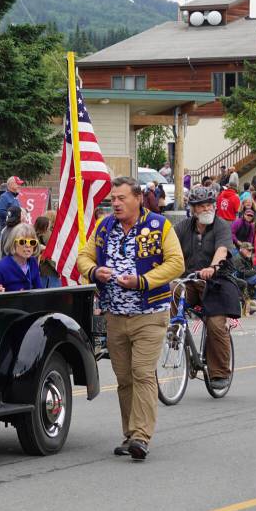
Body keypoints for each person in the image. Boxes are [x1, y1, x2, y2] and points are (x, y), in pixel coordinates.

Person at [76, 177, 184, 461]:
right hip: (115, 314)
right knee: (124, 377)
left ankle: (141, 436)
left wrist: (142, 281)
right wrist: (94, 270)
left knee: (142, 372)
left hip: (149, 314)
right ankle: (129, 434)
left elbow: (176, 263)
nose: (116, 203)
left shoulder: (160, 225)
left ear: (138, 198)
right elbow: (83, 256)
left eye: (121, 198)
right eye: (113, 198)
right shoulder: (105, 225)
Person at [173, 185, 240, 390]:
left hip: (217, 282)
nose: (207, 208)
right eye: (201, 206)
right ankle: (174, 330)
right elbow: (167, 247)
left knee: (215, 324)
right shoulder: (183, 227)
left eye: (210, 204)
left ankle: (219, 372)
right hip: (190, 280)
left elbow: (222, 249)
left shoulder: (221, 226)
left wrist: (212, 267)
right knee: (172, 290)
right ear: (192, 208)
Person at [0, 223, 43, 292]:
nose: (28, 246)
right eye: (22, 242)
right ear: (13, 243)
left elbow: (39, 290)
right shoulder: (0, 268)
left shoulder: (32, 262)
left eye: (32, 242)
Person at [229, 242, 256, 315]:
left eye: (251, 250)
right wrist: (254, 272)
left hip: (246, 277)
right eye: (248, 250)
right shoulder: (238, 258)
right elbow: (242, 272)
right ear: (242, 249)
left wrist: (254, 270)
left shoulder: (247, 257)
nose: (250, 252)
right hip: (240, 278)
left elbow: (249, 269)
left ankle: (253, 301)